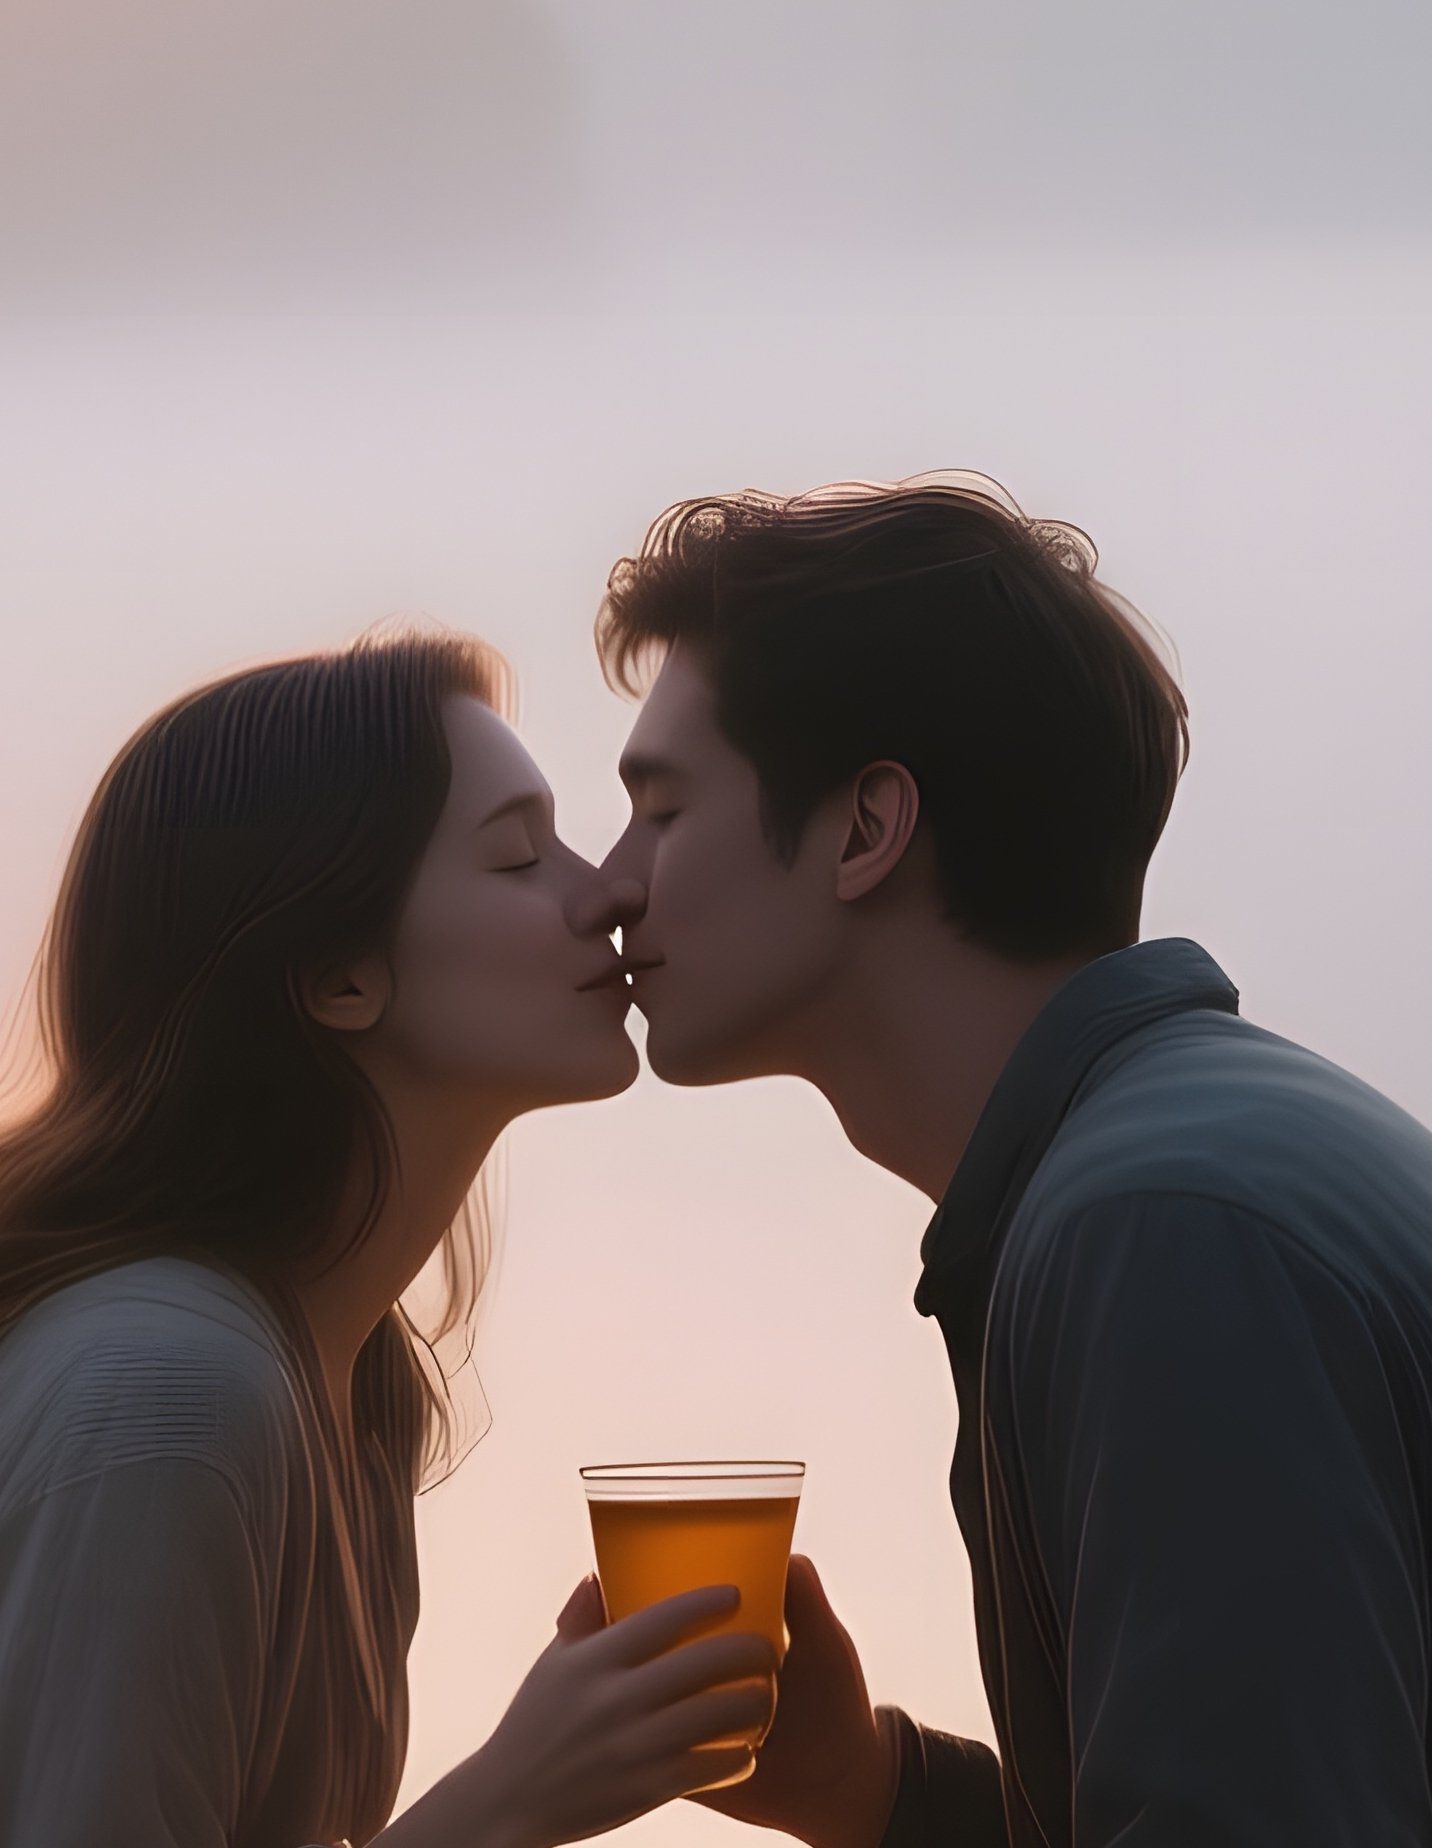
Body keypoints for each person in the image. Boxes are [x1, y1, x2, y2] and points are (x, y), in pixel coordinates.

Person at [0, 625, 779, 1848]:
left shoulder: (356, 1390)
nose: (609, 888)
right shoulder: (168, 1394)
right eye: (519, 857)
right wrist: (507, 1806)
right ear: (339, 976)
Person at [592, 471, 1432, 1847]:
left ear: (866, 829)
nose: (611, 880)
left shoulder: (1164, 1233)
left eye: (663, 810)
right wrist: (875, 1793)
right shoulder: (1163, 1171)